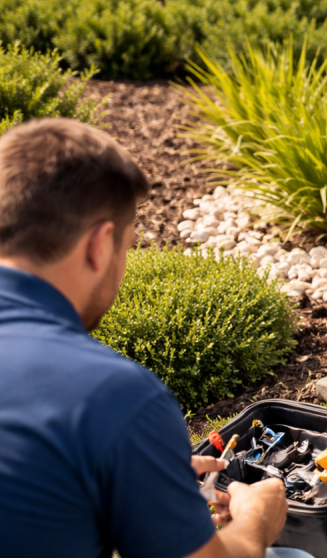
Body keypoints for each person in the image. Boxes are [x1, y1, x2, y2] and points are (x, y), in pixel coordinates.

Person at [0, 119, 292, 558]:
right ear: (100, 245)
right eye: (128, 246)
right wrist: (256, 520)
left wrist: (137, 476)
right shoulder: (113, 397)